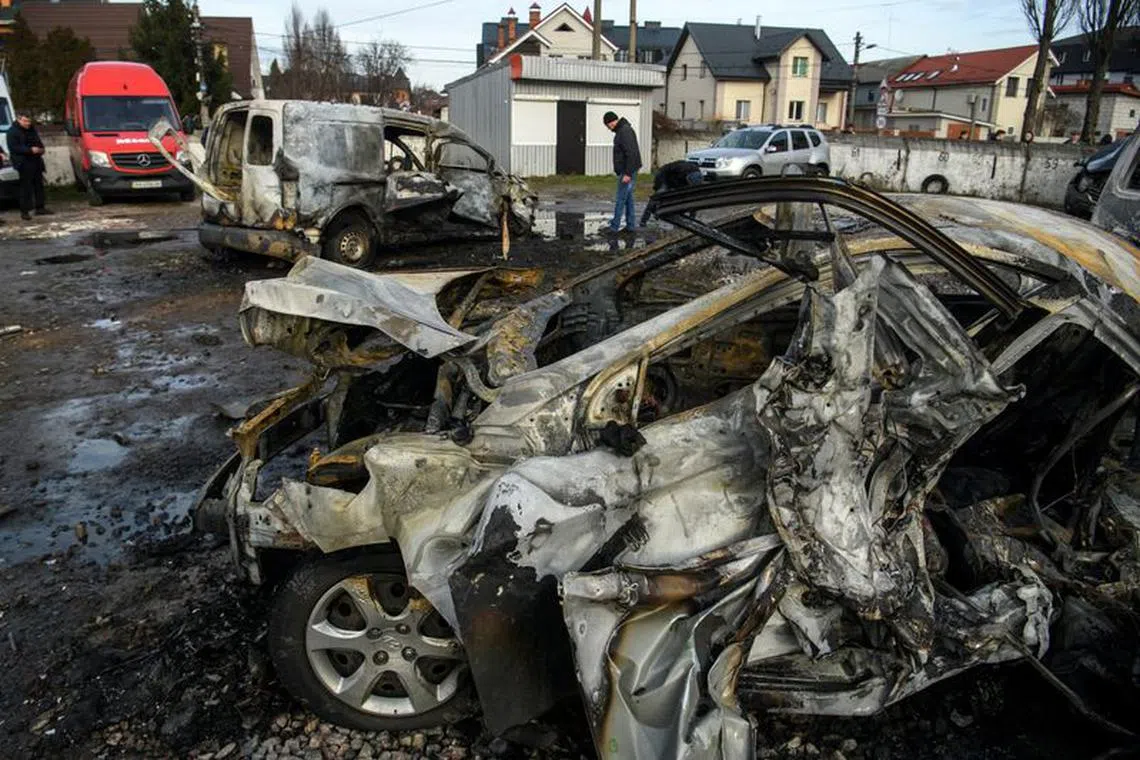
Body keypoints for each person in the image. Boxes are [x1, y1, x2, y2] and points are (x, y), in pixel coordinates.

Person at [603, 110, 641, 234]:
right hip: (627, 170)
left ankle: (614, 227)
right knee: (628, 199)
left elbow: (631, 153)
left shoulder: (624, 131)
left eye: (608, 125)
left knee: (620, 198)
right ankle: (630, 226)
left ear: (612, 121)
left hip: (627, 171)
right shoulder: (623, 131)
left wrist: (628, 174)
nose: (609, 128)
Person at [9, 114, 52, 221]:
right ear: (19, 120)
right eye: (25, 121)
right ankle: (25, 211)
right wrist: (30, 150)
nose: (28, 123)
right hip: (23, 162)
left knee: (38, 185)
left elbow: (38, 141)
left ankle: (40, 207)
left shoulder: (32, 129)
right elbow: (14, 148)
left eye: (29, 121)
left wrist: (41, 149)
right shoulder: (12, 132)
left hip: (36, 160)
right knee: (25, 188)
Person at [640, 159, 702, 226]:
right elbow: (664, 172)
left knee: (684, 198)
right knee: (657, 197)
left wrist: (692, 218)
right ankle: (644, 220)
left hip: (676, 181)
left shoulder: (697, 175)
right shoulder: (680, 168)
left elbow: (693, 196)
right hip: (664, 177)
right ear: (688, 178)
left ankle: (685, 220)